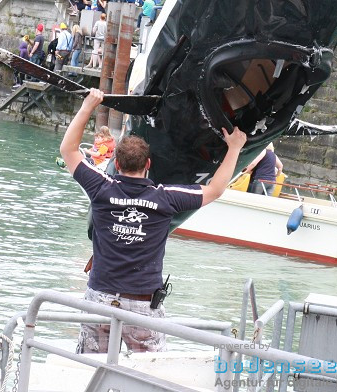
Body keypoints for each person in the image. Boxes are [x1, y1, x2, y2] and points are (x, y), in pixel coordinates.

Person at [59, 89, 246, 353]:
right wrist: (235, 147)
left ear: (116, 163)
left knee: (92, 368)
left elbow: (68, 149)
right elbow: (215, 189)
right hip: (143, 304)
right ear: (148, 164)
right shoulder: (167, 198)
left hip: (100, 298)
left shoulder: (101, 188)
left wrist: (89, 105)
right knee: (148, 372)